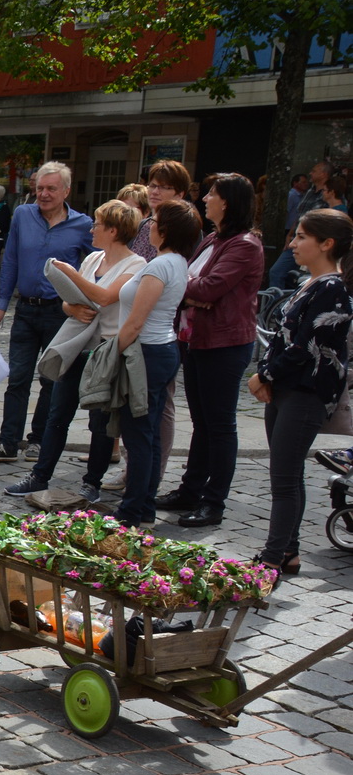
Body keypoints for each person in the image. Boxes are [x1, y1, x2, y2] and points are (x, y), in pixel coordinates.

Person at [3, 200, 145, 505]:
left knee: (100, 421)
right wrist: (72, 306)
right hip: (78, 346)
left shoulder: (136, 265)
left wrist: (68, 271)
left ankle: (91, 482)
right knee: (58, 413)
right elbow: (69, 300)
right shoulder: (93, 260)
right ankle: (39, 476)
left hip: (105, 351)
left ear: (114, 230)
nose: (91, 229)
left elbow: (106, 297)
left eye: (97, 224)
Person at [151, 174, 263, 527]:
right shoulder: (214, 239)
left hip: (225, 343)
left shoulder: (245, 245)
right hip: (195, 338)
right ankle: (190, 490)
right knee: (201, 421)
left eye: (212, 194)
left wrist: (187, 288)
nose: (205, 200)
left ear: (227, 201)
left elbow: (211, 287)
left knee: (220, 424)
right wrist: (193, 292)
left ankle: (214, 502)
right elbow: (190, 281)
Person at [249, 209, 353, 574]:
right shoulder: (313, 283)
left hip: (305, 393)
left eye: (302, 237)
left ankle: (273, 557)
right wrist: (267, 376)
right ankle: (287, 551)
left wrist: (263, 376)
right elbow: (284, 339)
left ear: (326, 244)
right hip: (285, 389)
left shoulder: (332, 287)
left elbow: (304, 346)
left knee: (284, 479)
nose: (293, 244)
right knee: (288, 474)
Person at [92, 199, 198, 527]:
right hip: (158, 350)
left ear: (164, 231)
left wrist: (111, 356)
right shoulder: (176, 262)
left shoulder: (160, 266)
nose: (147, 226)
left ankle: (132, 510)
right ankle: (143, 505)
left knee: (138, 435)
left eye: (153, 223)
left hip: (146, 353)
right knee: (147, 434)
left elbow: (136, 322)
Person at [0, 162, 94, 462]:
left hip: (61, 313)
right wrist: (1, 304)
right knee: (18, 378)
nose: (43, 194)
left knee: (51, 379)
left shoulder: (83, 225)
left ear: (66, 191)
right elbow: (11, 261)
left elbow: (97, 266)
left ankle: (40, 441)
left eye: (51, 189)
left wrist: (89, 301)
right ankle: (8, 442)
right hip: (26, 310)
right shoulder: (23, 215)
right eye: (40, 188)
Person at [270, 161, 330, 288]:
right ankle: (279, 305)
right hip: (296, 238)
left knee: (304, 278)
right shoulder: (309, 192)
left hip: (312, 242)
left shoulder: (329, 195)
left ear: (324, 174)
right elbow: (299, 215)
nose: (310, 173)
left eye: (314, 171)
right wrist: (290, 234)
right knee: (277, 272)